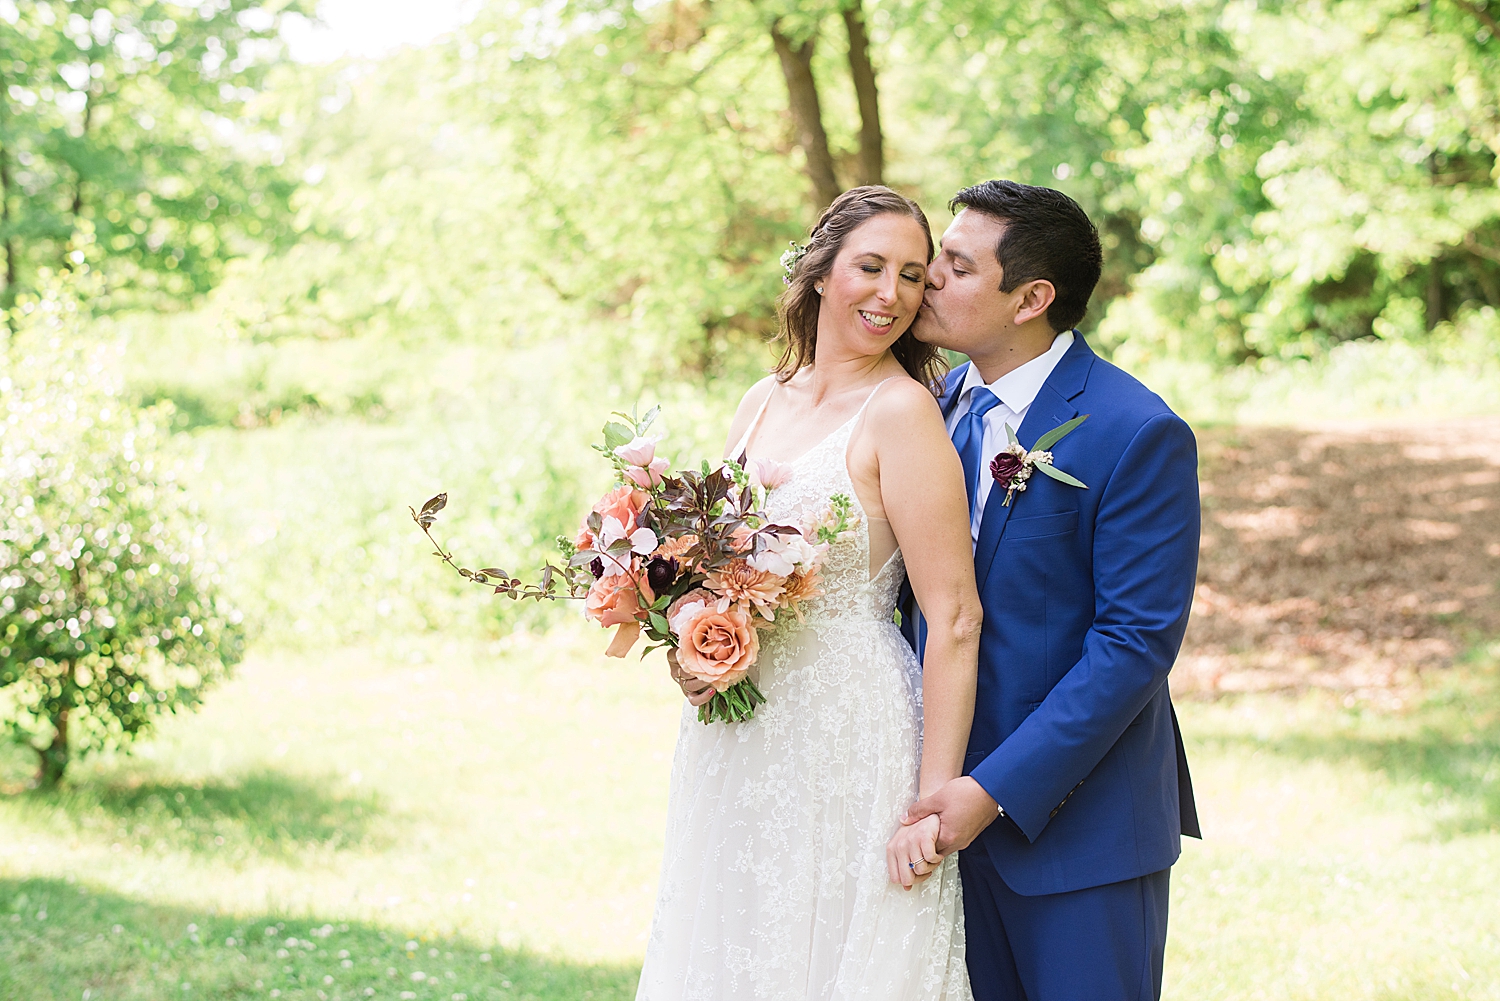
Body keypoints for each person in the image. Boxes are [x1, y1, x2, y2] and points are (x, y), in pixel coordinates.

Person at [639, 185, 982, 1000]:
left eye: (911, 274)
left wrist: (930, 803)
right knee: (738, 934)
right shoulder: (762, 399)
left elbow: (955, 615)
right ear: (821, 271)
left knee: (835, 947)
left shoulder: (902, 413)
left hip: (850, 727)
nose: (891, 293)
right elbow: (715, 568)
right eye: (870, 266)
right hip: (741, 727)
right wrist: (693, 650)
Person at [895, 179, 1202, 1001]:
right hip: (935, 825)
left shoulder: (1135, 431)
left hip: (1079, 836)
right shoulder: (933, 407)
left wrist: (989, 792)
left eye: (955, 267)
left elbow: (1133, 645)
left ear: (1032, 297)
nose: (928, 279)